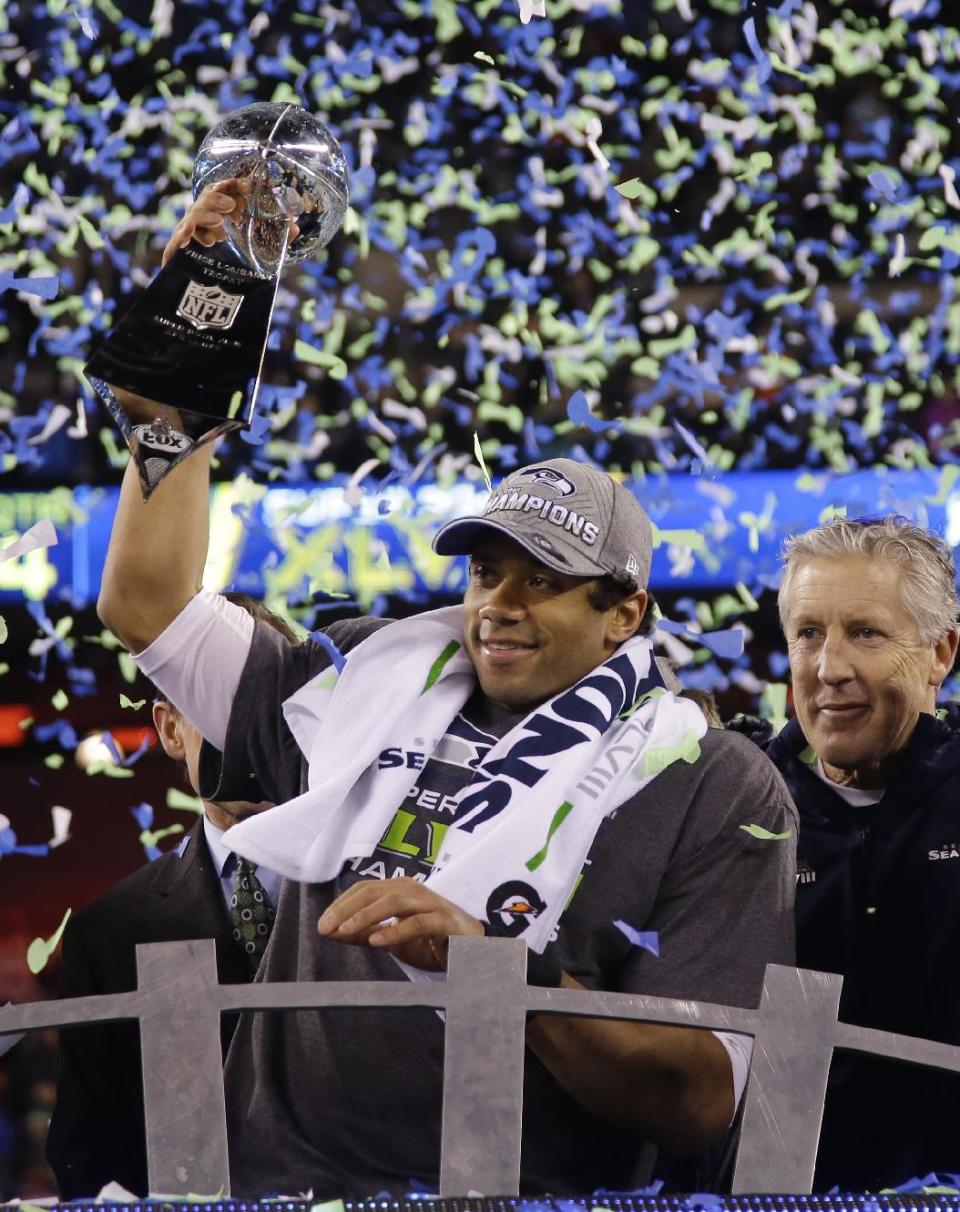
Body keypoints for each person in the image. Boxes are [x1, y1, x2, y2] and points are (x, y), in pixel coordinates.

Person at [92, 183, 797, 1198]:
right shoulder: (357, 678)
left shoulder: (713, 784)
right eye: (484, 573)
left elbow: (698, 1099)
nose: (500, 606)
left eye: (544, 580)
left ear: (624, 615)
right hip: (279, 1189)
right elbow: (145, 607)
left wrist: (493, 970)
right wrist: (178, 419)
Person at [45, 596, 294, 1199]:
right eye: (220, 701)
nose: (248, 732)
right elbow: (90, 1153)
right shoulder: (109, 931)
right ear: (170, 729)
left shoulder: (383, 887)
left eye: (270, 705)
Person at [768, 515, 960, 1191]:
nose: (829, 669)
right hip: (781, 1198)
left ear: (941, 653)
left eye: (866, 633)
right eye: (808, 634)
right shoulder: (738, 810)